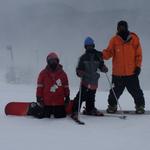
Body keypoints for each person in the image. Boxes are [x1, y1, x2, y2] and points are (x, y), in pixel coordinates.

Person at [102, 20, 145, 114]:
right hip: (118, 74)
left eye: (123, 27)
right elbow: (108, 52)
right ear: (117, 28)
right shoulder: (114, 40)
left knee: (136, 92)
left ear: (126, 27)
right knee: (114, 92)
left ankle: (140, 106)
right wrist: (100, 55)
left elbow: (139, 55)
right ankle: (112, 106)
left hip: (131, 73)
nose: (121, 29)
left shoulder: (134, 39)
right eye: (120, 27)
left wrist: (138, 66)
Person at [71, 37, 108, 119]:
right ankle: (75, 110)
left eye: (91, 46)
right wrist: (79, 72)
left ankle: (90, 109)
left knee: (91, 96)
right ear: (85, 47)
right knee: (81, 96)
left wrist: (104, 68)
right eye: (88, 46)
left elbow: (101, 65)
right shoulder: (83, 57)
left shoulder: (98, 56)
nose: (90, 47)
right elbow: (78, 69)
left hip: (94, 80)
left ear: (93, 46)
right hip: (85, 81)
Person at [28, 52, 70, 118]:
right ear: (48, 62)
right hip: (47, 102)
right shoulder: (43, 73)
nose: (53, 62)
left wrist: (67, 96)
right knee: (44, 117)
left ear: (57, 61)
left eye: (55, 60)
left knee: (61, 117)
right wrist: (38, 97)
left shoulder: (63, 74)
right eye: (51, 60)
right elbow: (40, 87)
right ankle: (33, 107)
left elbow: (66, 86)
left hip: (59, 102)